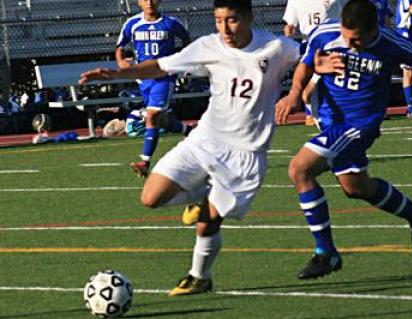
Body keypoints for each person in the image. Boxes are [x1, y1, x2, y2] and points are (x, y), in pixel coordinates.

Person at [80, 0, 300, 296]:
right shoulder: (209, 46)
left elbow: (310, 59)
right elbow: (161, 66)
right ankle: (197, 196)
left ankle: (199, 276)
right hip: (205, 139)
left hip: (245, 153)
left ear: (249, 18)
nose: (225, 28)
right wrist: (117, 74)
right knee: (151, 197)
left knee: (208, 222)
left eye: (232, 20)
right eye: (219, 20)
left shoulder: (276, 47)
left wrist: (298, 91)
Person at [275, 0, 412, 280]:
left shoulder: (389, 43)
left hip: (359, 125)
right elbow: (306, 63)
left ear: (373, 29)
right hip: (331, 122)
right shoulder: (324, 33)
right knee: (355, 187)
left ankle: (326, 253)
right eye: (347, 37)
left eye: (358, 39)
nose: (351, 44)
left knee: (299, 169)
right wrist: (295, 92)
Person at [116, 0, 192, 177]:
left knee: (152, 116)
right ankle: (193, 133)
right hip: (144, 79)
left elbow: (188, 42)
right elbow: (120, 46)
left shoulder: (172, 23)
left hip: (164, 77)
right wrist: (121, 61)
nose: (149, 2)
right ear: (139, 2)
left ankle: (145, 161)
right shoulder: (132, 23)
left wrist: (186, 63)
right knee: (162, 120)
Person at [283, 0, 349, 127]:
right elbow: (290, 24)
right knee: (309, 85)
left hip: (331, 44)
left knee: (330, 82)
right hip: (309, 45)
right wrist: (289, 29)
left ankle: (327, 113)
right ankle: (312, 114)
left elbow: (349, 14)